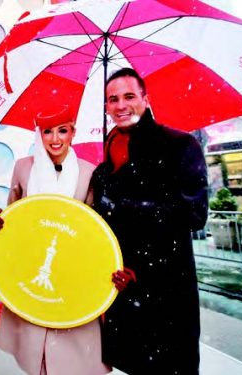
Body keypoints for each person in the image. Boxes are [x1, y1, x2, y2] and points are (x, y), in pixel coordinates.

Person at [90, 67, 208, 374]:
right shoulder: (104, 166)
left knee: (169, 366)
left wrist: (132, 207)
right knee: (133, 365)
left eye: (129, 96)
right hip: (122, 289)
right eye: (112, 99)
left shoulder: (180, 145)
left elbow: (194, 213)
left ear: (145, 98)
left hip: (166, 288)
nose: (120, 105)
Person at [0, 108, 109, 375]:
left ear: (73, 133)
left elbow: (92, 228)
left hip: (72, 270)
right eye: (47, 131)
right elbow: (13, 216)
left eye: (62, 130)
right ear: (38, 134)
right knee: (35, 346)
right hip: (33, 263)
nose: (55, 139)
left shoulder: (90, 173)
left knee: (73, 349)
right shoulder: (23, 167)